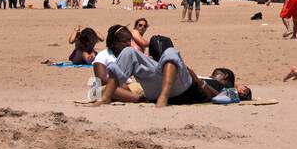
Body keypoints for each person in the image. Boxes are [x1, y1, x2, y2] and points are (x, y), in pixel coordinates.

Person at [91, 42, 221, 108]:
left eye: (218, 74)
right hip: (162, 87)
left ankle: (163, 98)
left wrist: (199, 81)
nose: (214, 75)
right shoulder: (213, 80)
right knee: (128, 52)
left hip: (183, 90)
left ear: (226, 77)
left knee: (171, 51)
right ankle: (105, 98)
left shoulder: (222, 84)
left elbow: (218, 97)